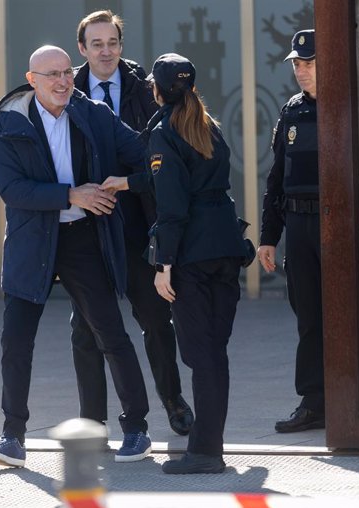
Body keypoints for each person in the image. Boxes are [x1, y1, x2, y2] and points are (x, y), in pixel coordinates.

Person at [0, 45, 154, 468]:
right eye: (52, 75)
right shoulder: (9, 123)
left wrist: (125, 182)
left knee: (110, 332)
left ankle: (137, 429)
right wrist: (71, 195)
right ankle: (12, 437)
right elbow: (12, 190)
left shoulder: (93, 113)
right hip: (31, 240)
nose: (62, 82)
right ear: (32, 78)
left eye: (66, 73)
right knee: (16, 340)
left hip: (82, 240)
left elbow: (146, 154)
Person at [102, 53, 248, 474]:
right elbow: (182, 178)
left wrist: (163, 265)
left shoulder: (165, 132)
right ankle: (210, 445)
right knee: (213, 354)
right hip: (225, 249)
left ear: (156, 91)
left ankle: (205, 452)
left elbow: (172, 205)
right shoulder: (207, 126)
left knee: (200, 356)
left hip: (191, 257)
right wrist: (129, 181)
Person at [73, 10, 193, 436]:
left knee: (157, 321)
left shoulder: (146, 88)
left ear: (121, 46)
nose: (106, 52)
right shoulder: (66, 90)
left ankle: (174, 402)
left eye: (113, 43)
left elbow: (160, 154)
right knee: (86, 330)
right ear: (82, 49)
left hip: (139, 223)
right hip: (89, 228)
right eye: (97, 44)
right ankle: (92, 421)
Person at [258, 29, 325, 434]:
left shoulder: (348, 105)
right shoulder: (293, 111)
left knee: (347, 314)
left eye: (310, 62)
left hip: (338, 224)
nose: (300, 71)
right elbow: (276, 179)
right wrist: (269, 236)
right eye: (297, 64)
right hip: (300, 226)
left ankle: (355, 397)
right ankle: (314, 401)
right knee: (308, 316)